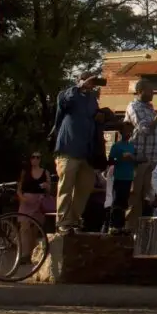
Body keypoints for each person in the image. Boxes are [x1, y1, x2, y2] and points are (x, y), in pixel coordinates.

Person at [50, 72, 102, 234]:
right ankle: (63, 223)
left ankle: (73, 220)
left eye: (93, 81)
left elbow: (94, 117)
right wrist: (79, 86)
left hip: (86, 153)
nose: (92, 84)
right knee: (66, 187)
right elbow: (63, 103)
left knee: (84, 188)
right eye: (89, 80)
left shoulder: (92, 99)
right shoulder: (67, 94)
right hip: (68, 149)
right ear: (79, 81)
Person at [125, 79, 157, 227]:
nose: (153, 93)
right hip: (138, 160)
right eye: (150, 90)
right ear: (140, 91)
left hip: (152, 161)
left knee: (149, 198)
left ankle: (142, 229)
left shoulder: (150, 109)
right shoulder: (133, 107)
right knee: (134, 195)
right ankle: (129, 229)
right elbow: (145, 129)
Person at [15, 152, 53, 260]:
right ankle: (23, 254)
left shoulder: (45, 172)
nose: (35, 159)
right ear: (30, 159)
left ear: (40, 159)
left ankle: (31, 254)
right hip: (26, 201)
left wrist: (46, 186)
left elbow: (49, 190)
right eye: (33, 157)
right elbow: (19, 189)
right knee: (24, 227)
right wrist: (22, 198)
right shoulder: (25, 172)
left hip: (39, 201)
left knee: (35, 229)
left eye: (38, 157)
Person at [107, 122, 136, 232]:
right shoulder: (116, 146)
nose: (129, 133)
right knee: (117, 201)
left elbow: (135, 161)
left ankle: (121, 225)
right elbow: (110, 160)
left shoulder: (131, 146)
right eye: (127, 131)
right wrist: (120, 158)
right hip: (119, 177)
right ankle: (113, 225)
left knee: (124, 202)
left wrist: (133, 158)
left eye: (130, 131)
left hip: (129, 177)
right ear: (121, 132)